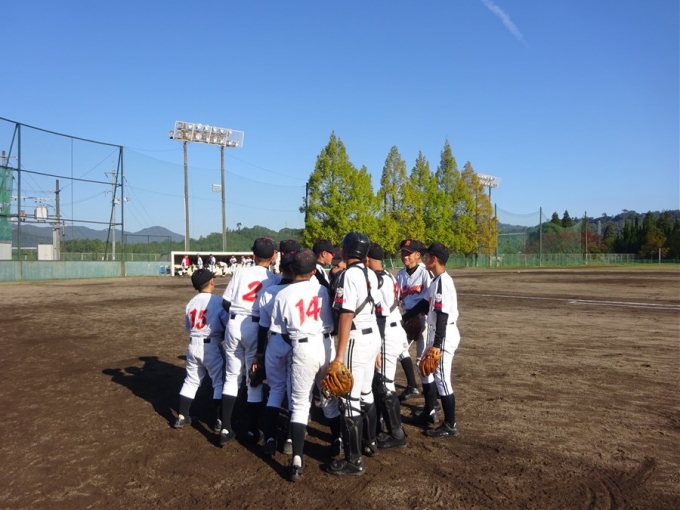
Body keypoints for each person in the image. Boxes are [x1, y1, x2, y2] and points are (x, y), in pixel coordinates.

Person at [269, 249, 339, 482]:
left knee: (300, 405)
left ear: (291, 269)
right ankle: (337, 441)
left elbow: (280, 331)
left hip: (302, 347)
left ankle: (297, 461)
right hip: (326, 346)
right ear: (313, 271)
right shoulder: (322, 289)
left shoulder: (282, 294)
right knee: (329, 398)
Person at [326, 232, 382, 476]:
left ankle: (353, 460)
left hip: (356, 340)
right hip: (372, 336)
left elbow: (346, 314)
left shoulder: (348, 275)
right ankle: (370, 442)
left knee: (349, 400)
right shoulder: (371, 273)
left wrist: (339, 356)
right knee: (366, 392)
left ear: (346, 251)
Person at [219, 238, 279, 447]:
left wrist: (238, 314)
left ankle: (225, 428)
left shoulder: (240, 272)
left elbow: (225, 302)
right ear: (273, 257)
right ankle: (252, 430)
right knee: (253, 378)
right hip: (255, 326)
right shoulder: (273, 279)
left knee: (231, 376)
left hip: (234, 323)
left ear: (253, 255)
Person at [401, 243, 461, 437]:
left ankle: (450, 425)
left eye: (427, 256)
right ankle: (429, 411)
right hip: (437, 333)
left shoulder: (442, 282)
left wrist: (436, 345)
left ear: (434, 259)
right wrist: (404, 318)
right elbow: (424, 304)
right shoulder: (436, 280)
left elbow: (442, 315)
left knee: (442, 379)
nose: (425, 258)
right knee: (424, 369)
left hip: (443, 334)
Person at [252, 239, 300, 456]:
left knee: (275, 390)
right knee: (294, 393)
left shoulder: (269, 290)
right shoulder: (304, 290)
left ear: (280, 268)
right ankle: (289, 439)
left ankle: (270, 438)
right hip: (296, 343)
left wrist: (259, 353)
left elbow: (263, 327)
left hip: (274, 342)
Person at [174, 269, 229, 433]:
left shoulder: (191, 303)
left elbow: (188, 327)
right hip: (211, 346)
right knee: (219, 382)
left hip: (193, 345)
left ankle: (181, 416)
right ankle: (219, 420)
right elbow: (227, 324)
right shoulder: (217, 301)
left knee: (191, 381)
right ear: (212, 282)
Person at [365, 242, 408, 449]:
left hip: (387, 333)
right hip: (394, 329)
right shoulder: (389, 275)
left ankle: (397, 435)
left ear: (367, 259)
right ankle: (384, 425)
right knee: (381, 383)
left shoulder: (378, 280)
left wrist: (378, 347)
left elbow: (381, 316)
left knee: (385, 385)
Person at [395, 239, 431, 404]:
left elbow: (428, 300)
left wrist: (412, 316)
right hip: (407, 318)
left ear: (418, 255)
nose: (405, 256)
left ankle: (432, 400)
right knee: (399, 349)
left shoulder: (425, 273)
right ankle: (412, 386)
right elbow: (397, 298)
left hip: (424, 319)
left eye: (408, 253)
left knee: (422, 360)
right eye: (403, 252)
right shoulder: (401, 275)